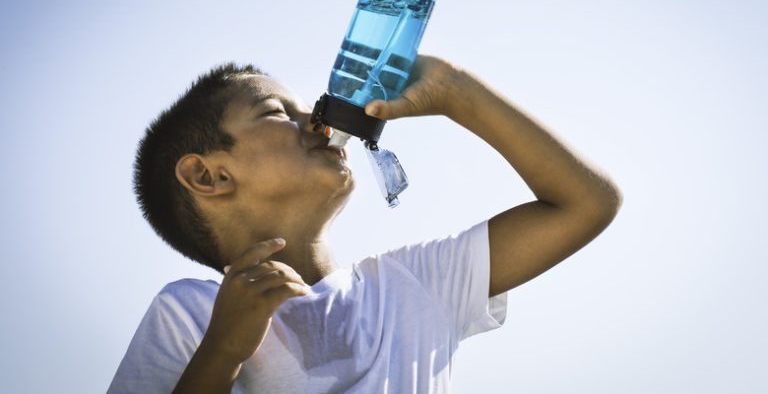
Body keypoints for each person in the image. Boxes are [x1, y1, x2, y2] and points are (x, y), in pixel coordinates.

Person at [108, 55, 622, 393]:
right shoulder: (192, 314)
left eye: (308, 109)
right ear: (208, 175)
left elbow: (586, 204)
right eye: (277, 112)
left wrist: (457, 93)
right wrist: (222, 352)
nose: (317, 122)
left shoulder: (416, 285)